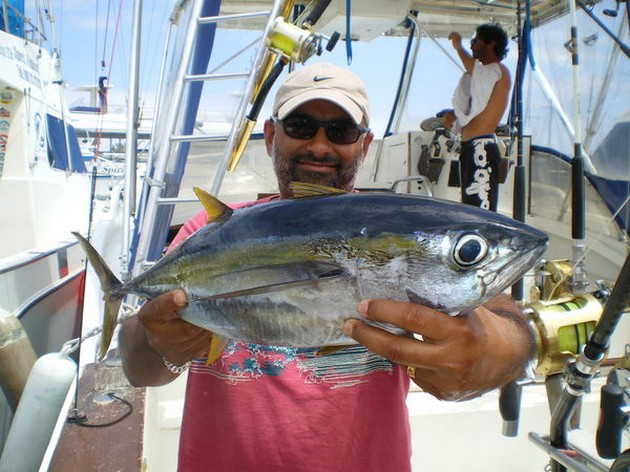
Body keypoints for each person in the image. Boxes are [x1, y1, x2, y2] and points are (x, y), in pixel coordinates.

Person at [119, 62, 534, 472]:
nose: (320, 146)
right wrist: (158, 345)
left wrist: (496, 351)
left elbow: (505, 320)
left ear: (365, 145)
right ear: (270, 135)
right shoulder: (211, 231)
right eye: (301, 126)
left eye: (341, 131)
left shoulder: (394, 225)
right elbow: (139, 370)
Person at [423, 24, 511, 212]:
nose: (471, 46)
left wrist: (458, 46)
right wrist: (453, 118)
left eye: (475, 41)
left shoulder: (497, 71)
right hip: (471, 148)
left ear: (490, 44)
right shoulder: (483, 76)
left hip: (482, 149)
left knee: (480, 211)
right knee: (470, 208)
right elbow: (476, 106)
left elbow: (475, 70)